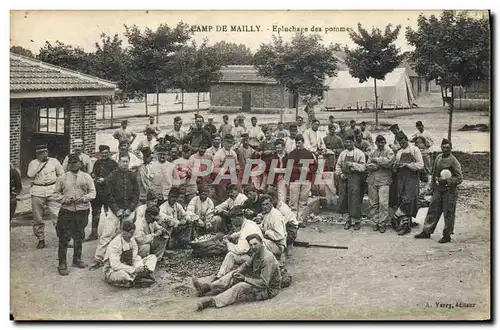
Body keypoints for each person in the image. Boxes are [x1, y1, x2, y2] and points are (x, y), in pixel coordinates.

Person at [192, 233, 281, 311]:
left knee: (241, 286)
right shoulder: (257, 252)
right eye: (251, 245)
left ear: (262, 243)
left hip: (268, 289)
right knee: (234, 273)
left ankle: (213, 301)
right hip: (258, 278)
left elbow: (264, 283)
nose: (253, 247)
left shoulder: (267, 258)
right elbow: (246, 265)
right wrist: (238, 272)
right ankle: (206, 288)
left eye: (255, 244)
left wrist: (245, 278)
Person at [89, 154, 139, 270]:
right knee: (107, 233)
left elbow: (136, 194)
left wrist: (129, 209)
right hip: (114, 210)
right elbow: (108, 195)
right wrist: (116, 210)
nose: (125, 164)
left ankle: (126, 257)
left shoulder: (132, 176)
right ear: (119, 162)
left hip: (128, 210)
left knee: (128, 234)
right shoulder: (112, 176)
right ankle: (98, 258)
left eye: (127, 161)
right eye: (123, 161)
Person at [53, 153, 96, 275]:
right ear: (68, 164)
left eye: (76, 162)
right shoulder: (62, 178)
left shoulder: (87, 177)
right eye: (71, 163)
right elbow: (55, 194)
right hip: (67, 211)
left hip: (82, 210)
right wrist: (65, 199)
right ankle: (62, 263)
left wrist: (84, 198)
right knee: (64, 237)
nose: (73, 165)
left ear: (80, 163)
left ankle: (77, 259)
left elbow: (93, 193)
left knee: (79, 235)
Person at [415, 139, 463, 243]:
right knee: (432, 210)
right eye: (443, 147)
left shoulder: (453, 161)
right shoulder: (438, 158)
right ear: (441, 147)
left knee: (448, 213)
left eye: (447, 148)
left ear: (451, 148)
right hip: (438, 190)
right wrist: (432, 187)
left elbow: (459, 178)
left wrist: (446, 180)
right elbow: (434, 173)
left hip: (450, 192)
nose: (445, 149)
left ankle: (447, 235)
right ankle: (426, 231)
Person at [27, 144, 65, 249]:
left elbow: (61, 174)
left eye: (45, 152)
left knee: (57, 215)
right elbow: (30, 174)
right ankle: (41, 239)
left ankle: (63, 239)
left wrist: (59, 187)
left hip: (52, 190)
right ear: (37, 154)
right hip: (37, 191)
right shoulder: (33, 163)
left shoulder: (54, 161)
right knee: (38, 218)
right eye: (41, 153)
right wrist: (40, 164)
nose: (44, 154)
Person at [103, 221, 158, 288]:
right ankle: (134, 280)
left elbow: (134, 256)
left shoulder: (131, 239)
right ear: (123, 231)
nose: (131, 235)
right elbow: (115, 265)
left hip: (129, 265)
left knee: (152, 257)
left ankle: (140, 275)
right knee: (123, 276)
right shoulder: (115, 244)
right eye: (129, 233)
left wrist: (139, 266)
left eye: (132, 233)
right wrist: (133, 270)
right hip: (113, 270)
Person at [392, 133, 424, 236]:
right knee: (402, 198)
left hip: (412, 178)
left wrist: (407, 165)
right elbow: (395, 168)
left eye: (403, 142)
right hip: (402, 179)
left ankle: (396, 217)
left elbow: (420, 165)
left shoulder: (415, 149)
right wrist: (396, 166)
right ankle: (407, 224)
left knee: (409, 199)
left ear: (407, 140)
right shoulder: (399, 152)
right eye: (399, 143)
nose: (402, 144)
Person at [86, 145, 118, 241]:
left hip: (109, 193)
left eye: (106, 153)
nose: (104, 155)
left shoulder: (113, 164)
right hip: (98, 193)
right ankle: (94, 233)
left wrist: (105, 180)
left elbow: (116, 177)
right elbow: (94, 173)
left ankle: (111, 234)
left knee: (110, 214)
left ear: (109, 153)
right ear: (100, 154)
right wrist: (94, 176)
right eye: (102, 153)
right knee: (95, 213)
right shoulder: (97, 163)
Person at [335, 136, 366, 231]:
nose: (348, 144)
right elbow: (338, 166)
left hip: (355, 179)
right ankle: (347, 221)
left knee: (355, 199)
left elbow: (363, 167)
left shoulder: (359, 153)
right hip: (344, 180)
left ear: (353, 142)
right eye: (346, 142)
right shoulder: (342, 154)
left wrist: (352, 164)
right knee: (344, 199)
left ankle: (356, 221)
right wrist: (340, 174)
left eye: (350, 142)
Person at [285, 134, 317, 226]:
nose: (298, 144)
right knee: (293, 201)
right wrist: (298, 169)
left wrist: (310, 169)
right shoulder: (292, 154)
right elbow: (288, 167)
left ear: (303, 142)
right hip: (295, 180)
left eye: (299, 142)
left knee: (303, 201)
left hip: (306, 180)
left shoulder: (309, 153)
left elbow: (315, 165)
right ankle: (293, 220)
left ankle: (301, 220)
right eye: (296, 143)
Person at [366, 135, 395, 233]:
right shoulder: (372, 152)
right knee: (373, 203)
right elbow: (368, 165)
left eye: (383, 142)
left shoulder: (389, 152)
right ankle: (375, 222)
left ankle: (382, 223)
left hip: (384, 181)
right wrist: (379, 164)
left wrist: (376, 160)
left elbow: (388, 162)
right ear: (376, 143)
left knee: (383, 203)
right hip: (372, 180)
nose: (381, 144)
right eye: (379, 142)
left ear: (385, 142)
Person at [254, 194, 287, 259]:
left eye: (267, 204)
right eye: (263, 205)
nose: (265, 206)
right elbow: (264, 226)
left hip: (278, 245)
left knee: (256, 243)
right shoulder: (268, 213)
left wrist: (266, 232)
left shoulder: (275, 215)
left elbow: (280, 235)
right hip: (270, 241)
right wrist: (255, 226)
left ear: (271, 203)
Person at [212, 134, 240, 202]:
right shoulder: (218, 154)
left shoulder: (233, 153)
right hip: (221, 177)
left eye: (230, 142)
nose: (229, 144)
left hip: (232, 176)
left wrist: (237, 167)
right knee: (224, 197)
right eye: (227, 142)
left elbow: (237, 164)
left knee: (238, 191)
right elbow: (215, 169)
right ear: (223, 142)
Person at [323, 124, 344, 204]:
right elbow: (323, 148)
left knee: (336, 175)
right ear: (328, 129)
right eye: (331, 129)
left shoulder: (338, 139)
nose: (332, 130)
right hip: (327, 160)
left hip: (336, 159)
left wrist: (334, 151)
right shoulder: (325, 138)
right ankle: (328, 194)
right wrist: (326, 151)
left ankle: (337, 192)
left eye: (333, 129)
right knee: (327, 176)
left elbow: (342, 148)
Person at [410, 121, 434, 186]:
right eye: (418, 127)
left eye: (420, 126)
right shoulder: (416, 133)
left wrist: (424, 139)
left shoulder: (427, 133)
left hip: (425, 151)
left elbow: (431, 143)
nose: (419, 128)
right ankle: (420, 180)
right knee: (419, 166)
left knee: (427, 167)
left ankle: (430, 182)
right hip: (418, 152)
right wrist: (414, 139)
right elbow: (410, 139)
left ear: (422, 126)